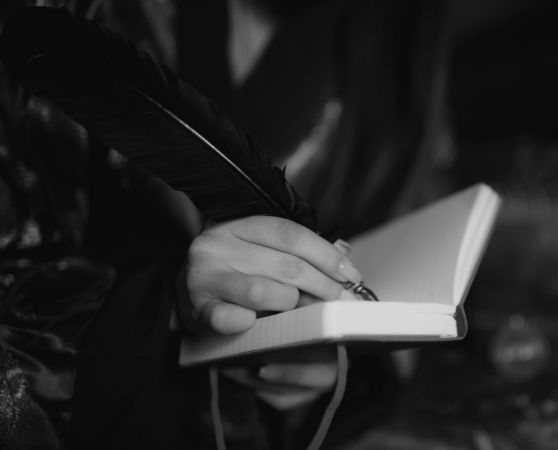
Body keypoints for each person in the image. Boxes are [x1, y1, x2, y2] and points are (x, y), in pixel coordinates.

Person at [0, 0, 450, 448]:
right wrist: (163, 312)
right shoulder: (94, 15)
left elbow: (401, 274)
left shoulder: (395, 53)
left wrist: (338, 359)